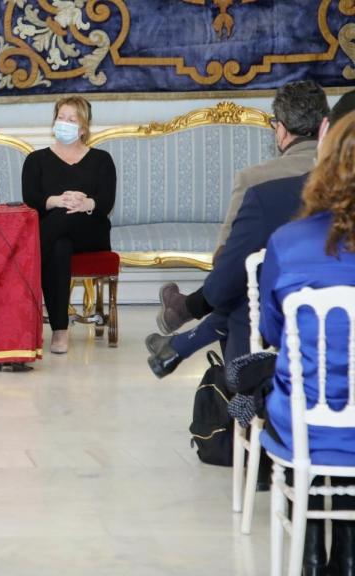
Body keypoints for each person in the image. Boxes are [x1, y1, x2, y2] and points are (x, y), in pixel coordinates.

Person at [146, 90, 354, 377]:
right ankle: (178, 342)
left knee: (245, 287)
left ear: (326, 129)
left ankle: (181, 342)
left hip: (292, 378)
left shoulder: (269, 194)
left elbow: (230, 273)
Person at [259, 110, 355, 576]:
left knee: (296, 390)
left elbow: (274, 336)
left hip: (306, 429)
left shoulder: (287, 242)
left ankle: (311, 550)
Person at [156, 80, 329, 336]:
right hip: (337, 294)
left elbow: (224, 259)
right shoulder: (345, 175)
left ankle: (183, 319)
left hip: (267, 308)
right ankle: (181, 320)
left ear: (280, 130)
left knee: (236, 279)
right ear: (325, 125)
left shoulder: (255, 179)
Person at [22, 95, 116, 354]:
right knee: (60, 247)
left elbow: (106, 202)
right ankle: (59, 331)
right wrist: (56, 200)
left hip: (91, 231)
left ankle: (23, 256)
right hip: (56, 234)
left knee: (69, 215)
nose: (64, 123)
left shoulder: (101, 160)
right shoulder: (36, 160)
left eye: (71, 120)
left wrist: (86, 204)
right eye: (60, 118)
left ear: (83, 127)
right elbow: (30, 198)